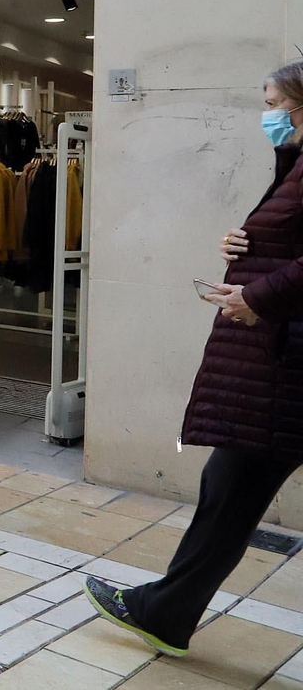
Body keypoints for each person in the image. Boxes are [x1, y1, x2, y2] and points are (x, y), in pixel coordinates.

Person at [86, 58, 303, 656]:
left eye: (271, 103)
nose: (266, 116)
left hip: (282, 364)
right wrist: (246, 243)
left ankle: (163, 612)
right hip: (273, 365)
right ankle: (165, 612)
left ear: (300, 108)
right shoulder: (295, 165)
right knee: (227, 492)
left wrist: (258, 296)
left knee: (229, 493)